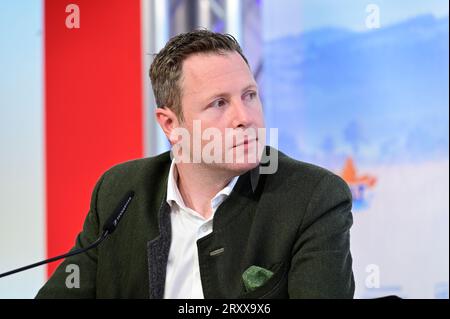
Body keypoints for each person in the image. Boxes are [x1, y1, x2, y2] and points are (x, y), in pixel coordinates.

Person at [36, 30, 354, 299]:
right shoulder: (120, 191)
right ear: (170, 125)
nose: (245, 118)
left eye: (250, 95)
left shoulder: (312, 197)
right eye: (219, 103)